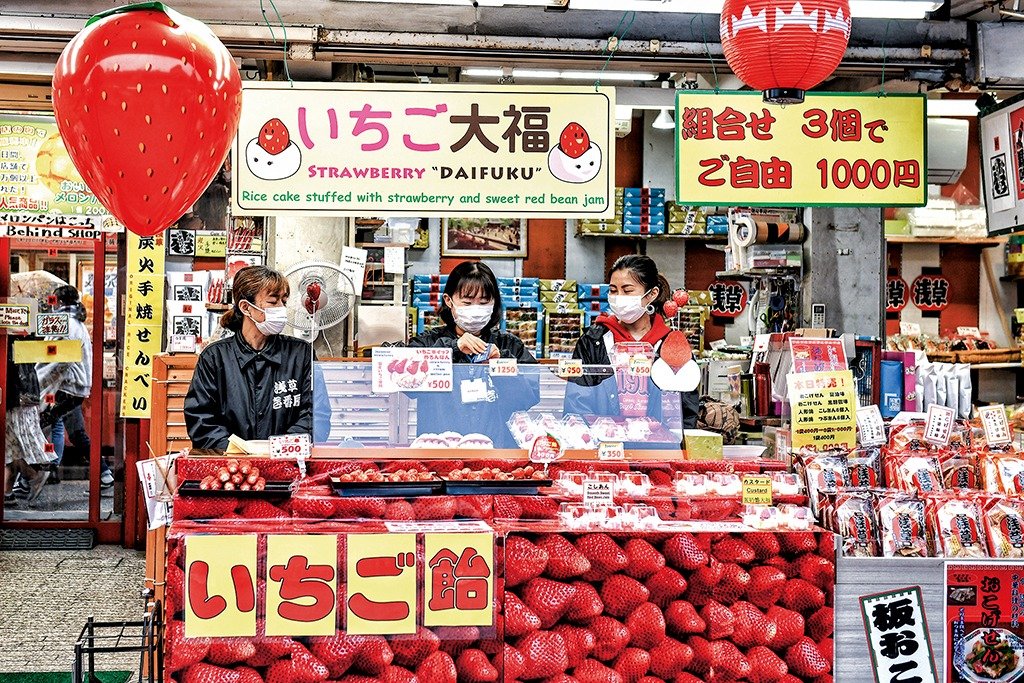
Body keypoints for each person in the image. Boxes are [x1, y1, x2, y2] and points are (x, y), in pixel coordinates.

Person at [405, 261, 540, 448]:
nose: (476, 309)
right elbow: (406, 384)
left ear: (494, 304)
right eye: (467, 302)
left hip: (497, 458)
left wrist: (501, 364)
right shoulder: (428, 342)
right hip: (441, 452)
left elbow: (528, 398)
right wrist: (453, 347)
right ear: (448, 300)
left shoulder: (509, 345)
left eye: (484, 302)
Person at [185, 266, 313, 450]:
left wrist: (280, 450)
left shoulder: (301, 354)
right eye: (273, 301)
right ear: (246, 307)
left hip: (288, 464)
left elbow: (315, 414)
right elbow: (200, 419)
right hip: (232, 470)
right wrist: (239, 452)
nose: (281, 309)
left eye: (283, 301)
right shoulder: (215, 357)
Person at [564, 254, 699, 428]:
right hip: (604, 446)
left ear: (652, 294)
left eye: (627, 291)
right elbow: (576, 403)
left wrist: (673, 443)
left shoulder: (670, 344)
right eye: (613, 290)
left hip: (658, 448)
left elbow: (686, 409)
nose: (619, 297)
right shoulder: (594, 340)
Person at [36, 285, 112, 488]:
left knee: (38, 425)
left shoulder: (63, 322)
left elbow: (54, 358)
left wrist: (37, 378)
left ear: (59, 302)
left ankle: (33, 476)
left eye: (53, 300)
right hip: (74, 387)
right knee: (74, 432)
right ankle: (104, 473)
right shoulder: (77, 321)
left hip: (65, 386)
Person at [6, 336, 53, 504]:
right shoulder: (21, 339)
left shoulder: (9, 341)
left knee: (11, 448)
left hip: (14, 400)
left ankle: (33, 475)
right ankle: (8, 493)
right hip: (24, 397)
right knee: (11, 448)